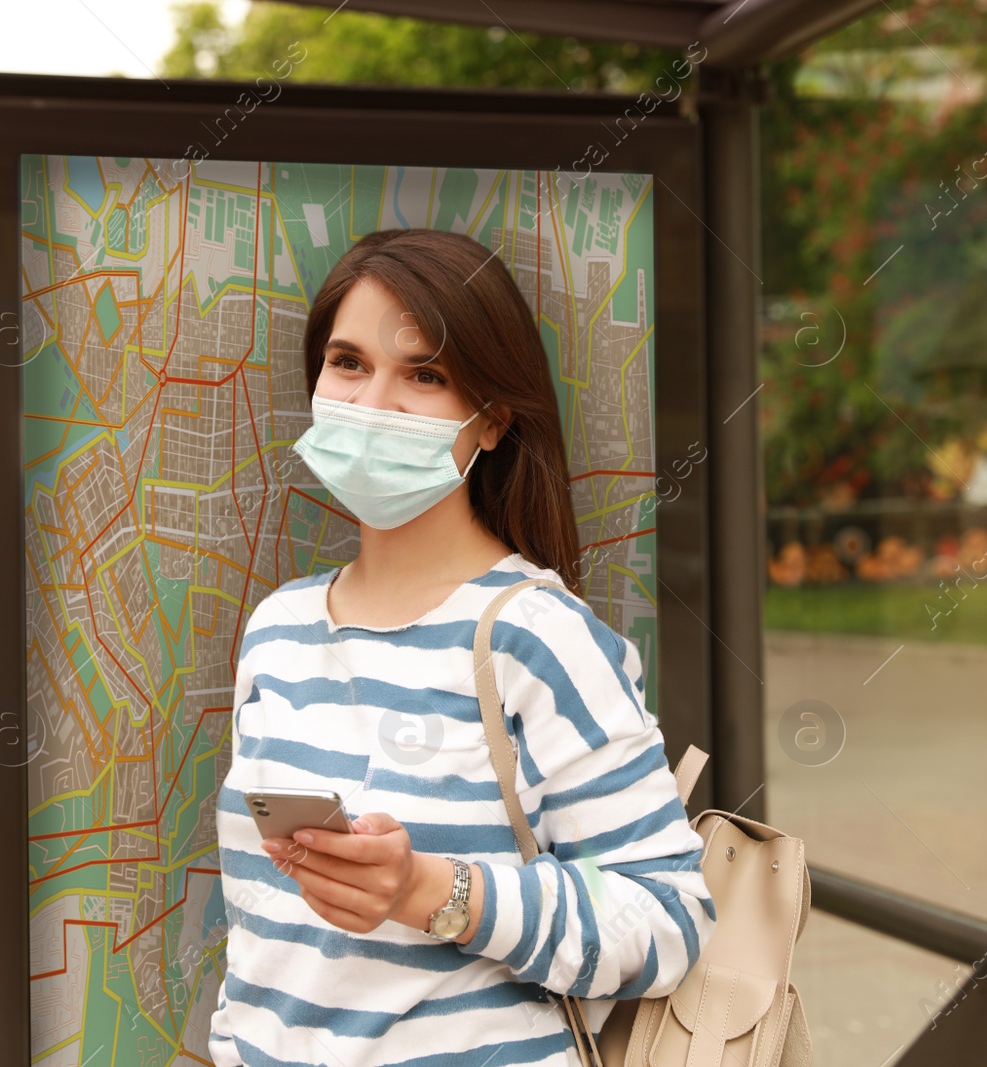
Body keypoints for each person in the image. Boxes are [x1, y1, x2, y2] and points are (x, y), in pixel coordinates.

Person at [208, 228, 715, 1066]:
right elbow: (262, 938)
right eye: (348, 362)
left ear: (492, 421)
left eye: (425, 374)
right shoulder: (277, 631)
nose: (372, 404)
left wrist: (429, 890)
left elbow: (668, 915)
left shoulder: (535, 636)